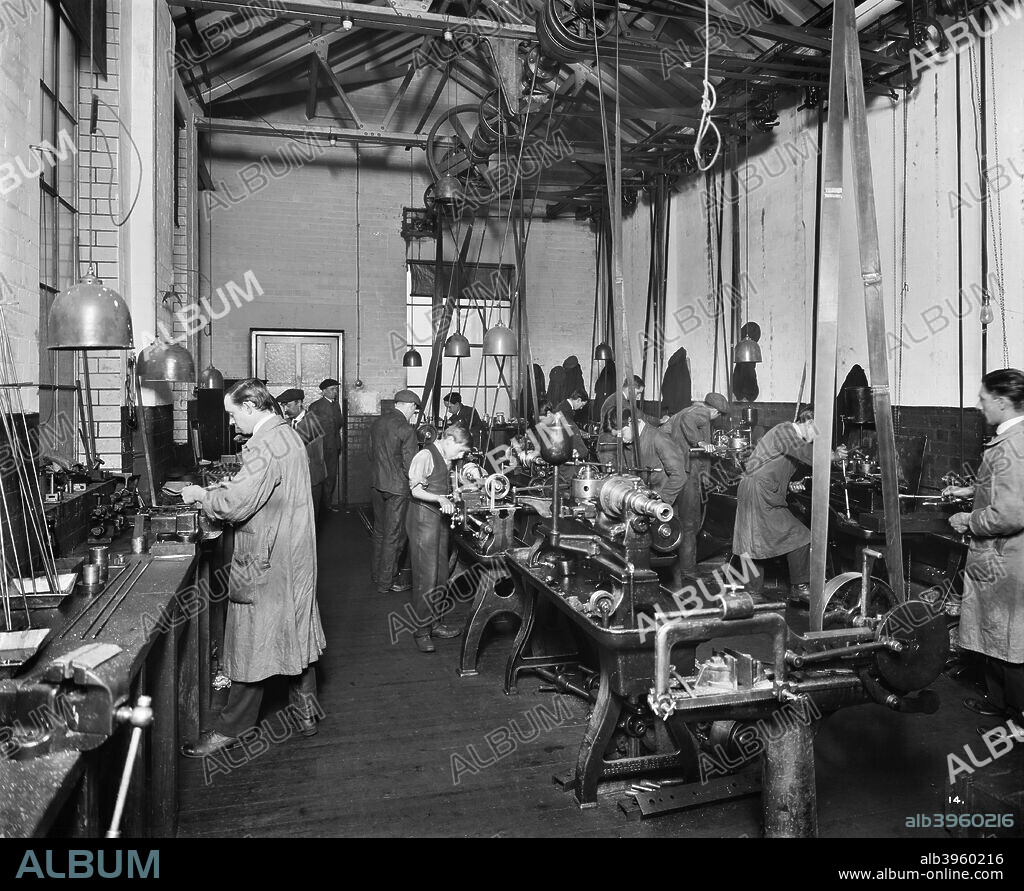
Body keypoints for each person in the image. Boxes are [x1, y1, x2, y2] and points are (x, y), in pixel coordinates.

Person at [179, 379, 325, 755]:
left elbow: (235, 506)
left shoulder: (264, 443)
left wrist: (203, 496)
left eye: (232, 414)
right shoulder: (286, 435)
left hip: (267, 555)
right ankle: (306, 712)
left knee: (251, 640)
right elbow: (265, 488)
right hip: (294, 553)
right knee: (295, 626)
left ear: (251, 407)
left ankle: (232, 727)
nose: (230, 422)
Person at [946, 369, 1024, 730]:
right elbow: (1004, 489)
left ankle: (1018, 720)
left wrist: (969, 519)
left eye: (983, 399)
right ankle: (999, 702)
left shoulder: (1012, 444)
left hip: (1006, 556)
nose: (979, 406)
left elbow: (1009, 513)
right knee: (999, 631)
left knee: (1011, 639)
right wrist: (972, 491)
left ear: (1002, 402)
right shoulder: (1012, 439)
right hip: (1001, 556)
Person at [733, 407, 847, 601]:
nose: (816, 436)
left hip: (757, 490)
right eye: (817, 431)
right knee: (800, 535)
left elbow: (775, 465)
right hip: (760, 493)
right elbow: (807, 454)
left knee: (752, 542)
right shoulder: (785, 431)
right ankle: (800, 588)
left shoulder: (789, 437)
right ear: (809, 423)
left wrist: (789, 484)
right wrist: (833, 456)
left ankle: (752, 592)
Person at [406, 425, 471, 653]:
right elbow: (415, 490)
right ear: (449, 440)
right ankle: (421, 631)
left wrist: (456, 493)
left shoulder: (446, 458)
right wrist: (440, 499)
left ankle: (434, 622)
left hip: (440, 520)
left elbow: (443, 484)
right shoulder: (424, 455)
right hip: (423, 518)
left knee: (442, 574)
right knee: (426, 576)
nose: (462, 455)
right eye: (461, 450)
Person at [614, 408, 687, 583]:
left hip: (661, 508)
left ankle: (675, 592)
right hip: (640, 509)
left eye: (621, 432)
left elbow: (679, 475)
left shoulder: (658, 438)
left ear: (632, 423)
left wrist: (661, 502)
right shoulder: (629, 441)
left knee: (665, 557)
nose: (621, 439)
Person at [667, 392, 731, 578]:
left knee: (679, 520)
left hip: (679, 472)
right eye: (718, 415)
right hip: (689, 475)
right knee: (690, 523)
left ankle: (677, 564)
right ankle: (688, 569)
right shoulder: (700, 413)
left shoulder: (684, 410)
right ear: (714, 410)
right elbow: (689, 421)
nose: (716, 419)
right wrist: (701, 441)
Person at [368, 389, 420, 595]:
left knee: (380, 532)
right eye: (414, 410)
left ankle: (377, 574)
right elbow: (411, 467)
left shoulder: (377, 423)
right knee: (394, 536)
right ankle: (386, 582)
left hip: (376, 484)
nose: (413, 415)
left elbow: (370, 453)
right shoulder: (406, 429)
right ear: (408, 406)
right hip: (397, 488)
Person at [278, 388, 328, 527]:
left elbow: (294, 444)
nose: (285, 409)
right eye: (283, 406)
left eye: (288, 405)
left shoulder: (313, 421)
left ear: (299, 403)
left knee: (310, 522)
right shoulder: (288, 423)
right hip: (296, 478)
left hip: (312, 479)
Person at [307, 378, 343, 513]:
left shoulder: (336, 405)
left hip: (333, 447)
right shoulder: (315, 406)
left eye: (336, 389)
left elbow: (339, 423)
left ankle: (327, 506)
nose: (335, 392)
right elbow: (310, 429)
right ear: (323, 391)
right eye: (332, 389)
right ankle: (317, 507)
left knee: (331, 476)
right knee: (318, 478)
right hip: (319, 448)